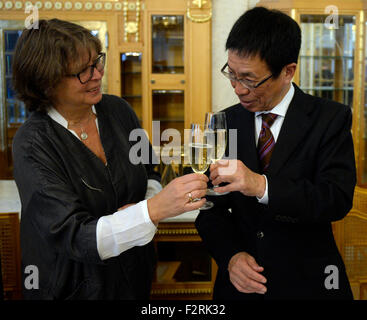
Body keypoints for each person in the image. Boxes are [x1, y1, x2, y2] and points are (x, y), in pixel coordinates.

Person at [12, 19, 208, 300]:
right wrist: (151, 210)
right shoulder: (33, 143)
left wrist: (143, 203)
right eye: (83, 71)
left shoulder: (117, 111)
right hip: (72, 287)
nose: (97, 75)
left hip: (133, 278)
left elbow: (150, 169)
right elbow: (75, 235)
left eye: (97, 62)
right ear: (46, 82)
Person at [195, 7, 356, 300]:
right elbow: (210, 209)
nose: (238, 89)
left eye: (249, 79)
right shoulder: (224, 122)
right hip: (241, 286)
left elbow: (335, 200)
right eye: (232, 74)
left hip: (309, 283)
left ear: (287, 71)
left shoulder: (330, 118)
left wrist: (260, 185)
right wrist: (231, 257)